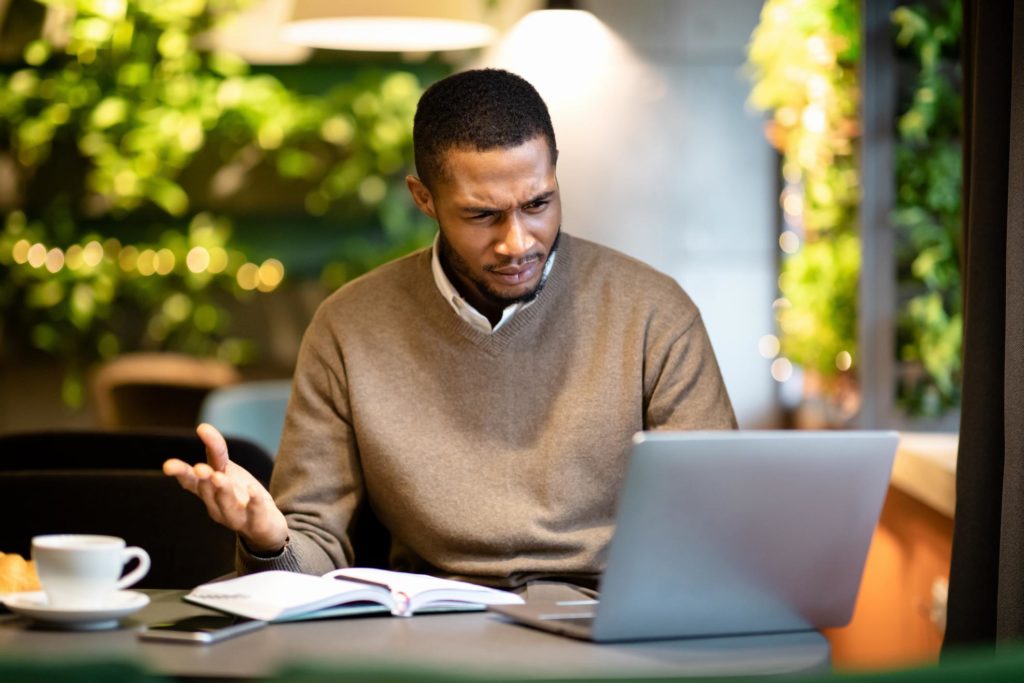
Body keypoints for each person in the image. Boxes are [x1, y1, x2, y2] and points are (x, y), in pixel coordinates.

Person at [164, 68, 736, 593]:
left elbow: (719, 521)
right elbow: (313, 553)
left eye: (539, 203)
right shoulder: (349, 328)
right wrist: (270, 539)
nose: (518, 242)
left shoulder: (654, 312)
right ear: (424, 199)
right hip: (429, 625)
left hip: (612, 615)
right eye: (482, 215)